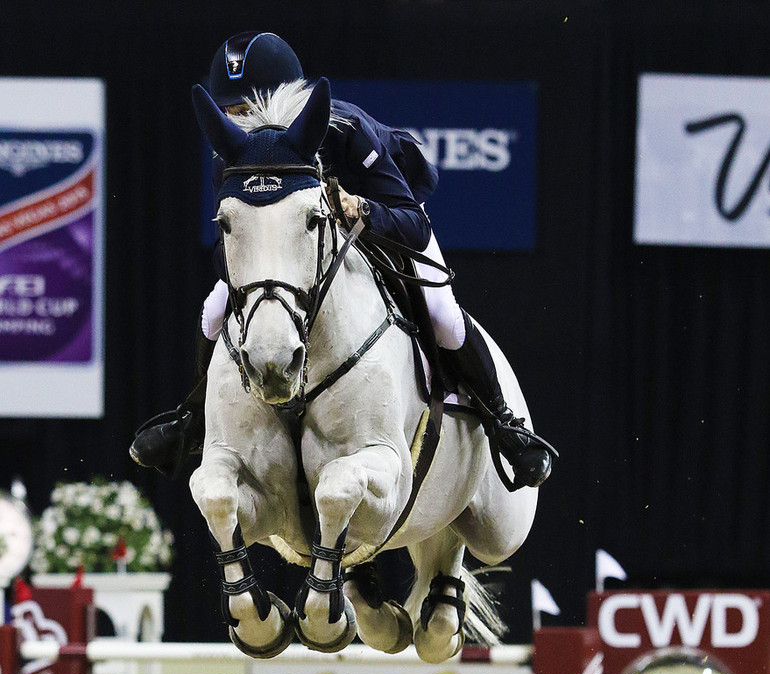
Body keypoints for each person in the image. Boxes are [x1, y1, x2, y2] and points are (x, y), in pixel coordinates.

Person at [130, 31, 555, 488]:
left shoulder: (344, 129)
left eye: (246, 109)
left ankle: (504, 424)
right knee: (214, 312)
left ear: (285, 99)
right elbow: (225, 251)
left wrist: (361, 209)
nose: (238, 122)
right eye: (231, 111)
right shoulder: (233, 155)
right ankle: (195, 418)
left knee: (443, 316)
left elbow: (412, 222)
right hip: (298, 255)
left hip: (383, 224)